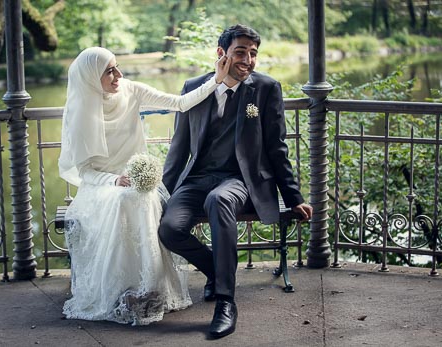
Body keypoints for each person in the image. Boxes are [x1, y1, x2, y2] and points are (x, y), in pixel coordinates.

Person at [158, 24, 313, 338]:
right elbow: (180, 146)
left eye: (253, 53)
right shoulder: (193, 86)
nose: (248, 59)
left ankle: (225, 302)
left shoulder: (266, 89)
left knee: (220, 199)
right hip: (197, 178)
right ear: (221, 54)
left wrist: (294, 197)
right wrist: (162, 191)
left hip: (240, 180)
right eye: (241, 52)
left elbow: (277, 147)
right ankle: (219, 272)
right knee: (169, 229)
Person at [58, 47, 230, 326]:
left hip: (134, 179)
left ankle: (150, 288)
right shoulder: (81, 110)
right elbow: (86, 172)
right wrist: (113, 180)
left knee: (142, 198)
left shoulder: (131, 90)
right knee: (122, 200)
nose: (119, 75)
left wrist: (217, 80)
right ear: (91, 77)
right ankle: (121, 290)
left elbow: (181, 103)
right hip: (102, 185)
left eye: (117, 66)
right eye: (109, 71)